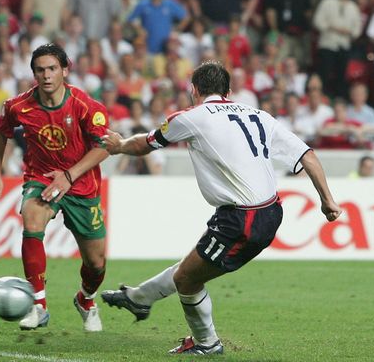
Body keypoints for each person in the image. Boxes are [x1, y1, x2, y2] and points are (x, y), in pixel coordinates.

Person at [100, 61, 342, 355]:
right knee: (193, 266)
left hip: (242, 218)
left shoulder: (192, 117)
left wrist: (119, 145)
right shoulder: (259, 115)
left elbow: (145, 145)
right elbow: (308, 155)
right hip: (269, 211)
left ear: (194, 90)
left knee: (187, 279)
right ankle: (140, 297)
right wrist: (327, 201)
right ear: (228, 91)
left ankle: (207, 343)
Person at [0, 43, 110, 332]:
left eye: (52, 68)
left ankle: (86, 299)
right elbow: (1, 133)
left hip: (81, 185)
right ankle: (38, 304)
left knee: (96, 263)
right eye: (40, 70)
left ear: (65, 70)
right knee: (32, 216)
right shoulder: (18, 106)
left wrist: (68, 175)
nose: (46, 75)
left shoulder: (85, 105)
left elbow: (105, 147)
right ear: (33, 74)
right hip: (41, 177)